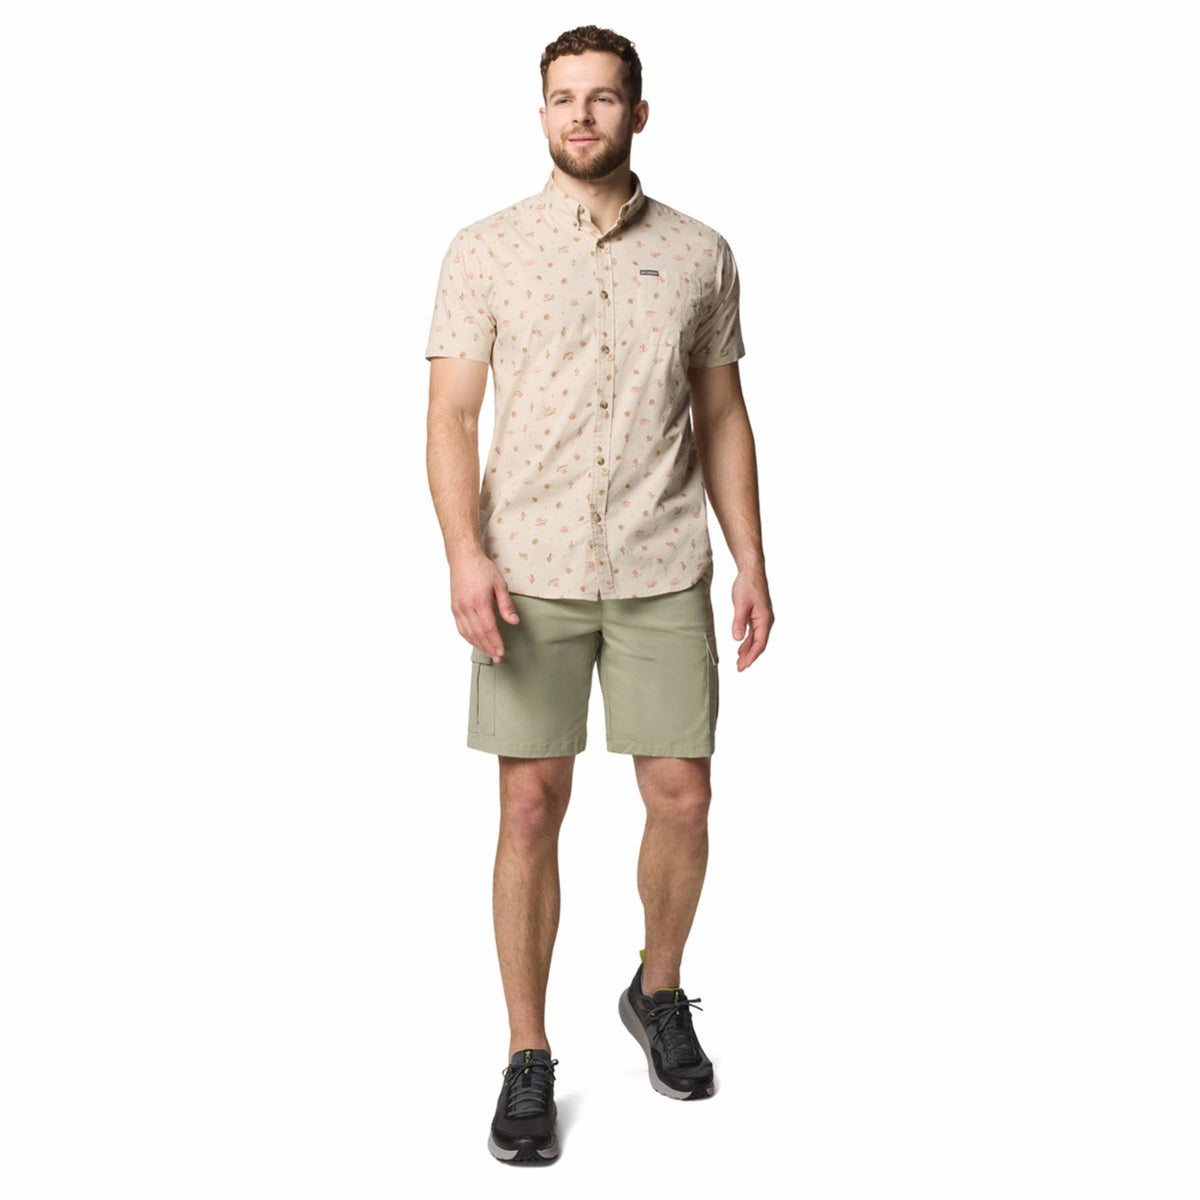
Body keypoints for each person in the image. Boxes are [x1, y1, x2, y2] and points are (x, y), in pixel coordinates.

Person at [424, 25, 774, 1164]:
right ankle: (528, 1051)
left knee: (683, 798)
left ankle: (656, 990)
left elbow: (722, 414)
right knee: (530, 806)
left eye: (604, 98)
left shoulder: (702, 252)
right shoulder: (485, 249)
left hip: (662, 561)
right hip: (525, 575)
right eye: (563, 98)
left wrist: (752, 558)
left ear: (638, 113)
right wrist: (463, 554)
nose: (582, 116)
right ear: (541, 115)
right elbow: (450, 417)